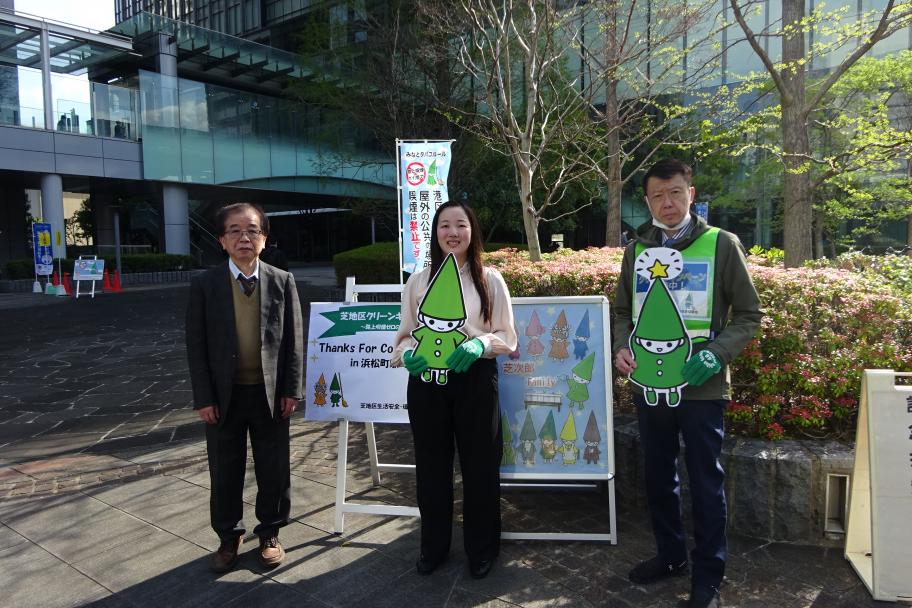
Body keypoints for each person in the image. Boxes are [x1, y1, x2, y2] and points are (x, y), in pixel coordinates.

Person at [613, 159, 762, 608]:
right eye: (658, 195)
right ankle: (671, 555)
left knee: (704, 481)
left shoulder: (722, 244)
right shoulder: (637, 249)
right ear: (647, 200)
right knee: (658, 475)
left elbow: (749, 315)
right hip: (650, 385)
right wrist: (623, 346)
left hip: (702, 387)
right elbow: (623, 310)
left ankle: (708, 576)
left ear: (690, 194)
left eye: (675, 193)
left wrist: (716, 354)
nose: (668, 203)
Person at [391, 201, 517, 580]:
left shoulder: (490, 279)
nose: (452, 232)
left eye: (460, 225)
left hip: (476, 381)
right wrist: (408, 354)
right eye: (444, 225)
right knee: (431, 469)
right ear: (435, 234)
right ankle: (434, 547)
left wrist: (481, 345)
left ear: (472, 231)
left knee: (480, 467)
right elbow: (402, 338)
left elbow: (507, 337)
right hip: (426, 383)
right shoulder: (418, 280)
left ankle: (482, 549)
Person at [186, 202, 304, 573]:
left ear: (264, 239)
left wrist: (291, 389)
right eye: (235, 231)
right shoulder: (205, 284)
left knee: (274, 467)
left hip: (269, 394)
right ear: (222, 241)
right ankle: (228, 536)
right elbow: (196, 345)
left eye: (252, 230)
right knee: (225, 469)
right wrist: (204, 397)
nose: (244, 238)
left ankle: (270, 532)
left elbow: (293, 340)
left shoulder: (281, 281)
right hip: (224, 396)